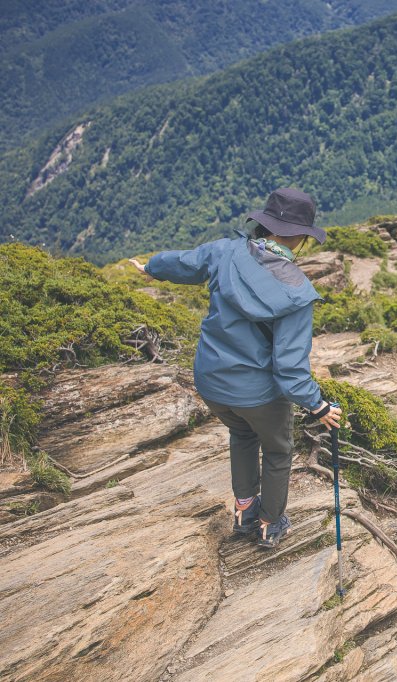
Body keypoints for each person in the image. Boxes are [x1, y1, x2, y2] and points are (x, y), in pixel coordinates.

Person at [131, 187, 343, 548]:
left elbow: (184, 262)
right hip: (257, 393)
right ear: (300, 239)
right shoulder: (298, 293)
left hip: (212, 383)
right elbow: (290, 369)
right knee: (277, 451)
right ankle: (269, 524)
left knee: (242, 434)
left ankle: (244, 510)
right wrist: (318, 405)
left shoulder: (224, 251)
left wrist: (153, 268)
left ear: (263, 224)